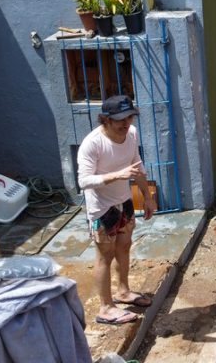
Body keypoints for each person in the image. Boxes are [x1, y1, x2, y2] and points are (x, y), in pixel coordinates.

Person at [77, 94, 156, 326]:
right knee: (105, 255)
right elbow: (83, 181)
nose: (126, 123)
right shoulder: (92, 143)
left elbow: (137, 165)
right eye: (120, 119)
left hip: (124, 202)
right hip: (102, 209)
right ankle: (105, 308)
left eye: (129, 117)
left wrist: (148, 197)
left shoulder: (131, 134)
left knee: (124, 246)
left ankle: (123, 292)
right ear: (106, 119)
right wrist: (116, 176)